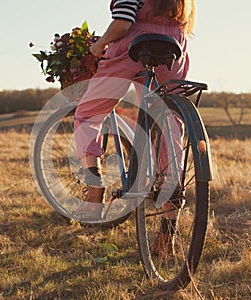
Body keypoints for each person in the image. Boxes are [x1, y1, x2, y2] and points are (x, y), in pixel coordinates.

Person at [74, 0, 196, 254]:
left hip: (134, 45)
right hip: (174, 47)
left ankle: (95, 187)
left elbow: (123, 21)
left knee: (88, 113)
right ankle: (167, 232)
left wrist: (99, 45)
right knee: (169, 123)